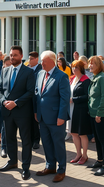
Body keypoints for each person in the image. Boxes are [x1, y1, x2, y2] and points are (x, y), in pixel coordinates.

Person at [0, 46, 36, 181]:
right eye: (11, 55)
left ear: (21, 56)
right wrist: (4, 102)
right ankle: (12, 161)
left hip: (23, 112)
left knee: (25, 141)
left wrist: (16, 102)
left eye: (15, 55)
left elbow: (30, 92)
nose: (12, 57)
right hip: (7, 112)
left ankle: (25, 167)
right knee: (10, 139)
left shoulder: (29, 72)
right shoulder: (4, 71)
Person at [33, 51, 70, 183]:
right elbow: (37, 94)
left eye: (44, 61)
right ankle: (50, 166)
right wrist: (36, 112)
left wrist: (61, 116)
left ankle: (61, 169)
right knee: (46, 143)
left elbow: (65, 99)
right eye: (41, 61)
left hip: (56, 118)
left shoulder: (62, 76)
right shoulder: (40, 74)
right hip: (42, 117)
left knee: (58, 144)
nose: (41, 63)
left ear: (52, 62)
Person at [86, 56, 104, 175]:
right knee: (97, 139)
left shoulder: (102, 78)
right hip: (93, 113)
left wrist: (99, 113)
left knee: (102, 139)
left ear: (99, 65)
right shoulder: (95, 77)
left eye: (93, 64)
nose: (90, 66)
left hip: (101, 114)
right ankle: (100, 160)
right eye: (89, 63)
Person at [68, 60, 92, 164]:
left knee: (82, 134)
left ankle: (85, 155)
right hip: (71, 109)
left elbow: (87, 96)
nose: (74, 69)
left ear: (81, 68)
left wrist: (74, 99)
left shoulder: (86, 80)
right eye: (73, 67)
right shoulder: (72, 79)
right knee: (73, 133)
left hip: (80, 109)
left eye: (76, 67)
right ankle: (78, 154)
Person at [27, 51, 42, 149]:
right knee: (28, 121)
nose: (29, 61)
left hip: (36, 99)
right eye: (29, 59)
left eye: (31, 59)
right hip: (27, 99)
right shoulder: (27, 69)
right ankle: (30, 140)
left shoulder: (40, 70)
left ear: (36, 59)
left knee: (35, 121)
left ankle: (36, 140)